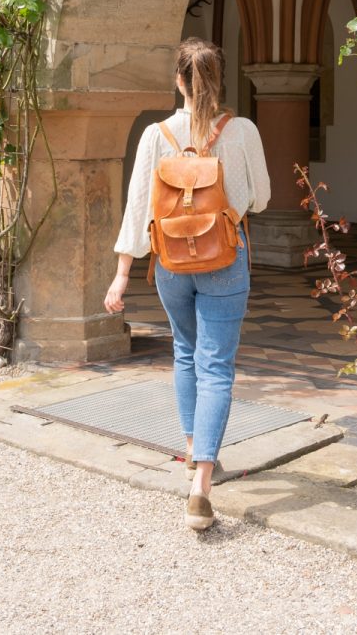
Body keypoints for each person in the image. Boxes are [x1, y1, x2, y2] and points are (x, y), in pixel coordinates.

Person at [104, 37, 271, 531]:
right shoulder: (241, 130)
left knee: (184, 352)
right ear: (219, 81)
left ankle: (195, 448)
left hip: (171, 263)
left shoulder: (156, 135)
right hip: (225, 259)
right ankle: (201, 486)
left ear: (178, 81)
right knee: (215, 366)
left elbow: (138, 210)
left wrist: (120, 277)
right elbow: (261, 199)